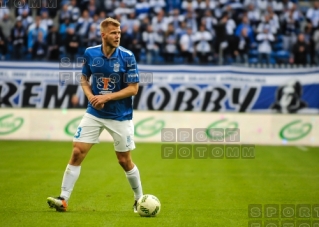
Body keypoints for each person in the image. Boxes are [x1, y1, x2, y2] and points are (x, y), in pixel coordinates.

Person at [47, 17, 143, 213]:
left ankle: (139, 199)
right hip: (95, 112)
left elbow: (133, 89)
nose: (117, 37)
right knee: (77, 151)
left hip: (120, 115)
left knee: (124, 161)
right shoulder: (90, 53)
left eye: (119, 33)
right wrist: (91, 96)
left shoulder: (127, 56)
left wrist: (106, 98)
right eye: (114, 33)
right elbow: (83, 77)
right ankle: (63, 199)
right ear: (103, 35)